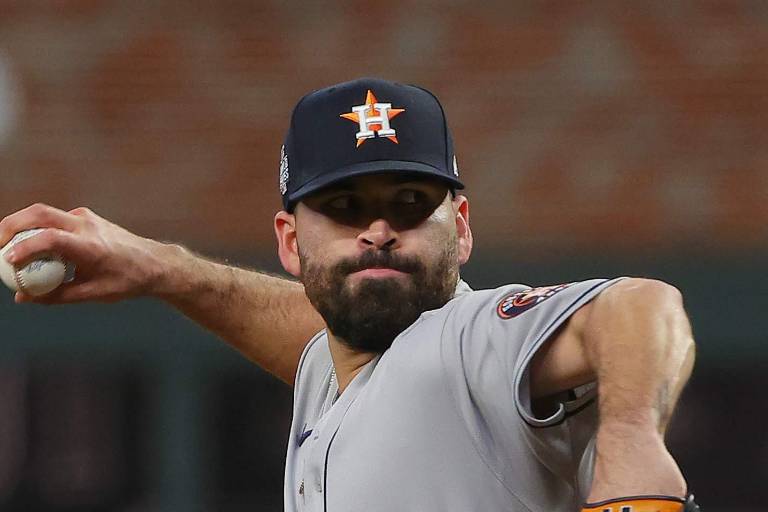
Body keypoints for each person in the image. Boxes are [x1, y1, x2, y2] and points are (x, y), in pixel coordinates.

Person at [0, 77, 699, 512]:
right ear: (289, 241)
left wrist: (631, 443)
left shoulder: (472, 340)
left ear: (460, 228)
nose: (377, 230)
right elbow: (308, 331)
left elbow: (638, 306)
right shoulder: (332, 377)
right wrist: (164, 268)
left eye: (408, 203)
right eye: (343, 207)